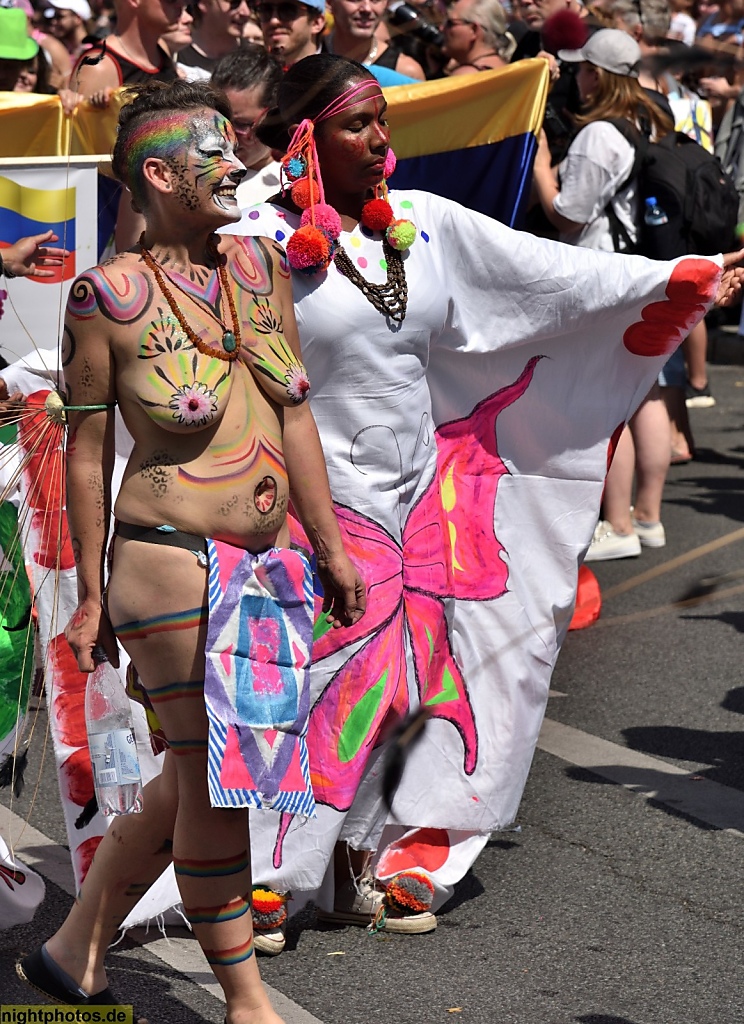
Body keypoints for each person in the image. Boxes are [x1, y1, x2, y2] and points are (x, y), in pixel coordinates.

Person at [13, 53, 744, 981]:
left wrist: (675, 277)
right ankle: (263, 892)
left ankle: (339, 856)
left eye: (386, 126)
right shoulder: (257, 239)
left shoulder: (425, 228)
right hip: (277, 535)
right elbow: (143, 349)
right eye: (361, 127)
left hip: (411, 507)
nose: (383, 145)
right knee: (271, 725)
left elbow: (550, 281)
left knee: (392, 694)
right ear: (310, 136)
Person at [15, 79, 364, 1019]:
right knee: (221, 780)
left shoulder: (258, 272)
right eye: (211, 153)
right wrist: (89, 596)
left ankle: (71, 951)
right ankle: (248, 1000)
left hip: (269, 565)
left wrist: (328, 544)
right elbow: (86, 451)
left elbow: (295, 412)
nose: (235, 166)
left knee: (193, 775)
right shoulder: (108, 295)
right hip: (167, 559)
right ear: (161, 177)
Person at [532, 28, 678, 558]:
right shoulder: (654, 118)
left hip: (606, 273)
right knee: (646, 392)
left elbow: (568, 216)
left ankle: (615, 526)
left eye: (582, 68)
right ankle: (648, 517)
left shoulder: (599, 134)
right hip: (647, 269)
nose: (577, 77)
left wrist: (544, 168)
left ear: (597, 74)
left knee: (606, 400)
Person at [211, 46, 283, 206]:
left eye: (241, 124)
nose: (226, 135)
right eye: (218, 121)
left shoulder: (297, 183)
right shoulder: (197, 178)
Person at [325, 0, 426, 79]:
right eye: (355, 0)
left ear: (385, 4)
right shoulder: (312, 55)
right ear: (329, 3)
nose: (367, 9)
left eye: (375, 0)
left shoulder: (406, 72)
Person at [176, 0, 252, 80]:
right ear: (204, 3)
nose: (246, 12)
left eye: (250, 3)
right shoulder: (175, 58)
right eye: (234, 3)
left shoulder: (255, 60)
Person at [441, 0, 512, 73]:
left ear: (474, 30)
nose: (442, 28)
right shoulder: (505, 68)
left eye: (450, 23)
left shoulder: (465, 75)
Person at [253, 0, 328, 68]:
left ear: (316, 23)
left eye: (287, 11)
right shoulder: (249, 74)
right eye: (266, 10)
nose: (274, 21)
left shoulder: (334, 76)